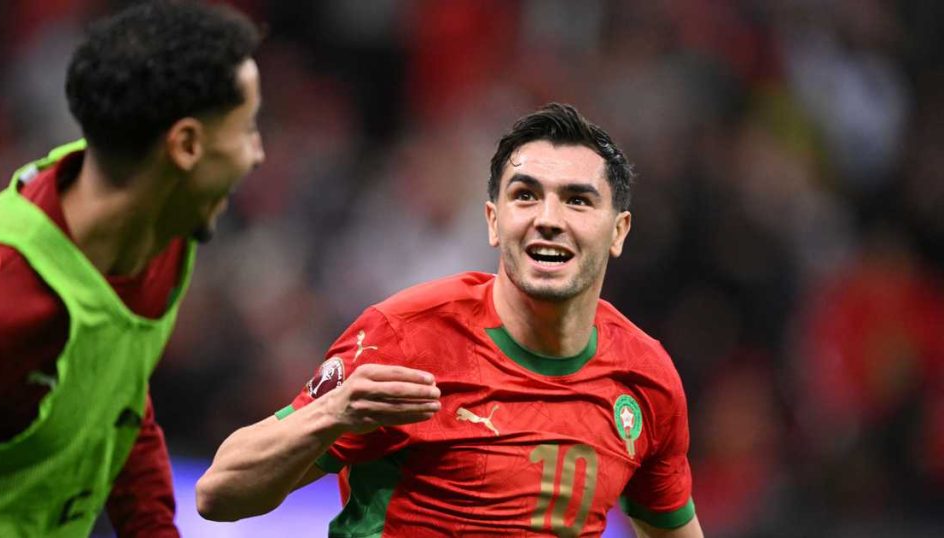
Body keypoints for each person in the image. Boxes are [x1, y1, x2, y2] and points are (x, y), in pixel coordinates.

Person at [197, 103, 703, 537]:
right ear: (493, 222)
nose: (549, 219)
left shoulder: (645, 378)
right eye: (525, 195)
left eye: (577, 200)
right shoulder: (406, 338)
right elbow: (218, 493)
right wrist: (334, 413)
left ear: (618, 232)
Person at [0, 1, 264, 536]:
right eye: (247, 130)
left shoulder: (161, 235)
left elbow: (114, 398)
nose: (257, 154)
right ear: (186, 146)